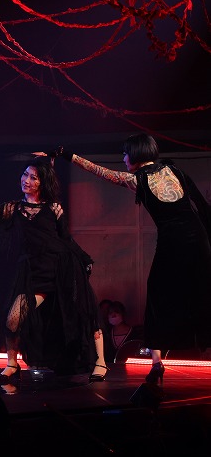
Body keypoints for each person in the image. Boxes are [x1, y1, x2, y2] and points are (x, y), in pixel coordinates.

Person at [51, 134, 211, 385]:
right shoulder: (174, 170)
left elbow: (99, 171)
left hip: (172, 242)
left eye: (125, 154)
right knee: (201, 293)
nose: (124, 158)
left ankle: (157, 363)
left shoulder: (136, 180)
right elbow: (199, 205)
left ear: (136, 154)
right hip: (199, 240)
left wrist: (68, 155)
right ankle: (164, 359)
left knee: (158, 296)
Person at [0, 157, 105, 382]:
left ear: (42, 183)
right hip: (34, 275)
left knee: (83, 313)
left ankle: (100, 362)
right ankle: (12, 364)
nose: (26, 180)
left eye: (33, 177)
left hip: (62, 269)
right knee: (12, 319)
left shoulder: (54, 208)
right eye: (25, 174)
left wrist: (84, 258)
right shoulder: (13, 208)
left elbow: (66, 239)